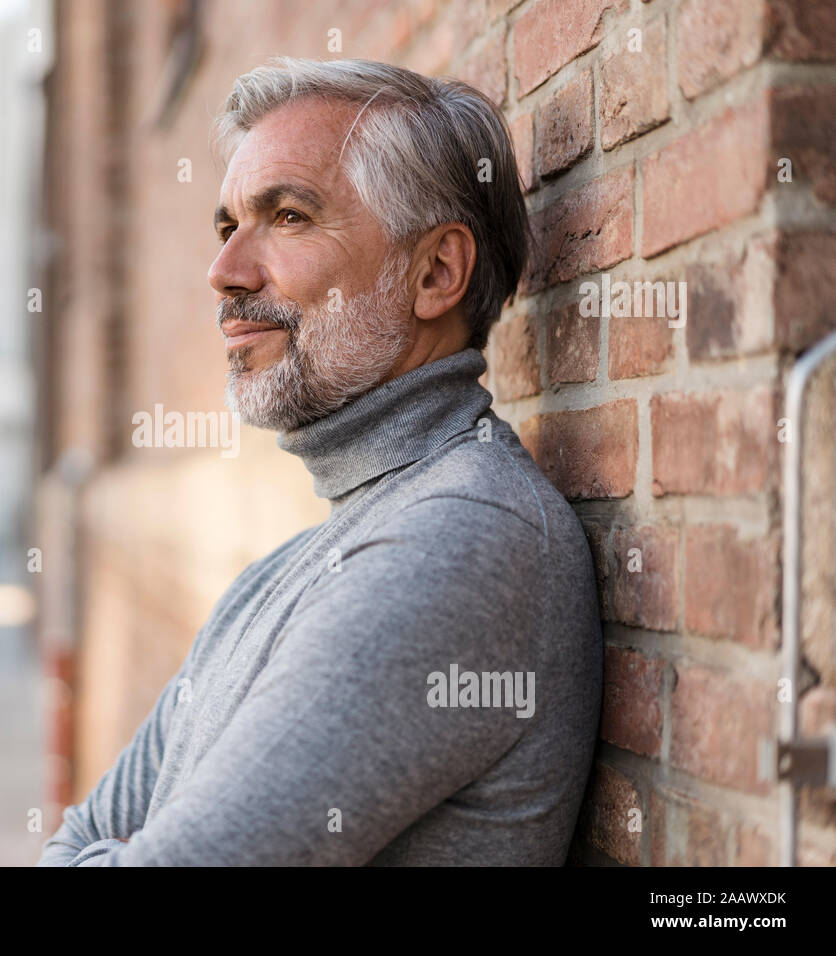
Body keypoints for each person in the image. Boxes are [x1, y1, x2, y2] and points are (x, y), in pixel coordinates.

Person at [37, 57, 602, 866]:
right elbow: (76, 837)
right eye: (230, 226)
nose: (225, 273)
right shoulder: (290, 567)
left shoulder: (460, 542)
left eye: (291, 216)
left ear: (436, 272)